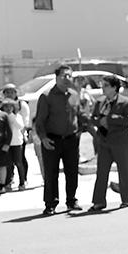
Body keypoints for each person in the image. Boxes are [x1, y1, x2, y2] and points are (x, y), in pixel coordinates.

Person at [34, 64, 83, 215]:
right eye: (64, 76)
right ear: (56, 77)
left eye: (69, 76)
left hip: (71, 139)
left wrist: (79, 131)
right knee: (51, 173)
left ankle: (71, 200)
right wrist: (43, 138)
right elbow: (39, 121)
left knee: (72, 171)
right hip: (52, 139)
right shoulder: (46, 96)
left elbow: (79, 115)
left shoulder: (74, 94)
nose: (67, 78)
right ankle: (50, 204)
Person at [90, 75, 128, 211]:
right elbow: (93, 119)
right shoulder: (100, 102)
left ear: (114, 88)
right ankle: (99, 201)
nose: (102, 88)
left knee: (124, 171)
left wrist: (110, 119)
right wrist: (100, 122)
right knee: (101, 172)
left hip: (121, 142)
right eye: (102, 85)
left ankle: (126, 199)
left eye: (105, 85)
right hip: (104, 141)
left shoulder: (126, 102)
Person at [2, 83, 31, 189]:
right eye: (7, 92)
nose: (9, 94)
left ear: (16, 93)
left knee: (20, 160)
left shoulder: (21, 105)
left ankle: (23, 180)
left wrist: (24, 135)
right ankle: (9, 179)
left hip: (19, 138)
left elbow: (24, 122)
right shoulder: (2, 106)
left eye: (12, 92)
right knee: (8, 162)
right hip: (6, 141)